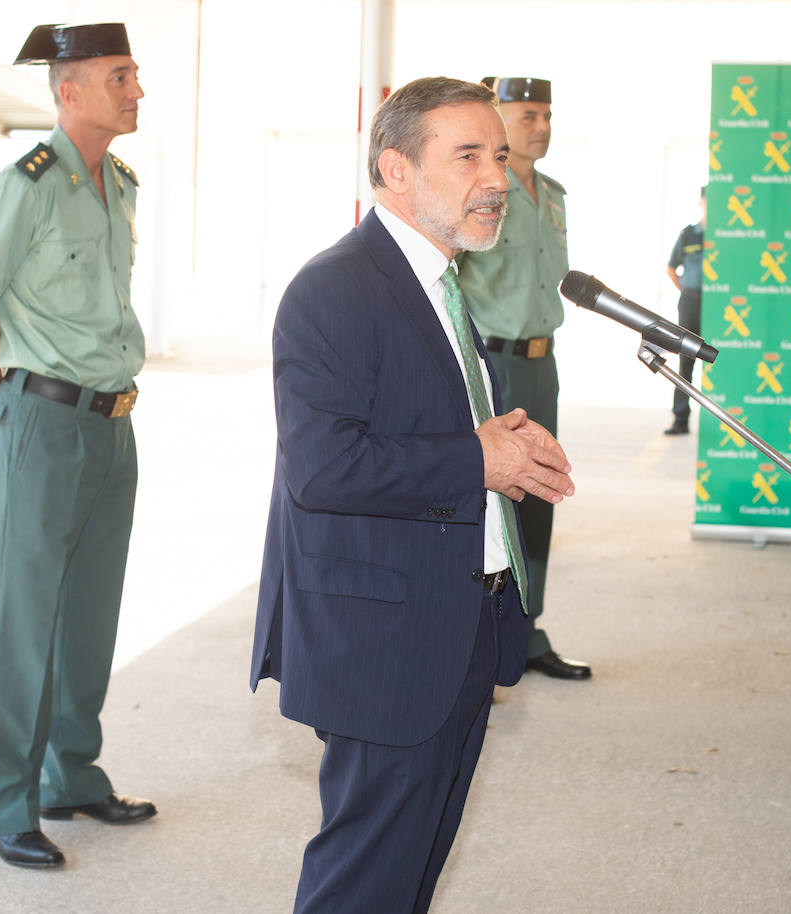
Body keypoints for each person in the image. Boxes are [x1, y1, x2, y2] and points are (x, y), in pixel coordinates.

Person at [250, 76, 576, 913]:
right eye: (466, 156)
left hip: (456, 619)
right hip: (383, 641)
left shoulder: (441, 280)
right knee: (364, 879)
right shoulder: (336, 288)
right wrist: (476, 460)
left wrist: (500, 438)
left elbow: (418, 418)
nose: (495, 179)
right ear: (396, 169)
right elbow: (321, 468)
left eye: (498, 156)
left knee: (410, 874)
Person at [0, 22, 154, 870]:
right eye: (119, 76)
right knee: (25, 621)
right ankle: (5, 801)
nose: (137, 90)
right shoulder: (22, 186)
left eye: (136, 75)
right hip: (42, 418)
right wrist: (1, 414)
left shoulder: (122, 185)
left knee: (88, 614)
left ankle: (71, 774)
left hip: (112, 424)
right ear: (69, 91)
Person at [458, 76, 590, 681]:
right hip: (495, 361)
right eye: (528, 114)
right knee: (490, 497)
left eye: (547, 115)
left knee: (541, 494)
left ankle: (527, 628)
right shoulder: (479, 188)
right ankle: (476, 631)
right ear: (498, 120)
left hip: (543, 361)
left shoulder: (554, 193)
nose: (541, 125)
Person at [665, 186, 706, 435]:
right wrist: (687, 291)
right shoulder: (688, 235)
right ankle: (680, 419)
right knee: (685, 362)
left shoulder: (729, 236)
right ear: (701, 202)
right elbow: (671, 268)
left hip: (720, 307)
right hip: (691, 302)